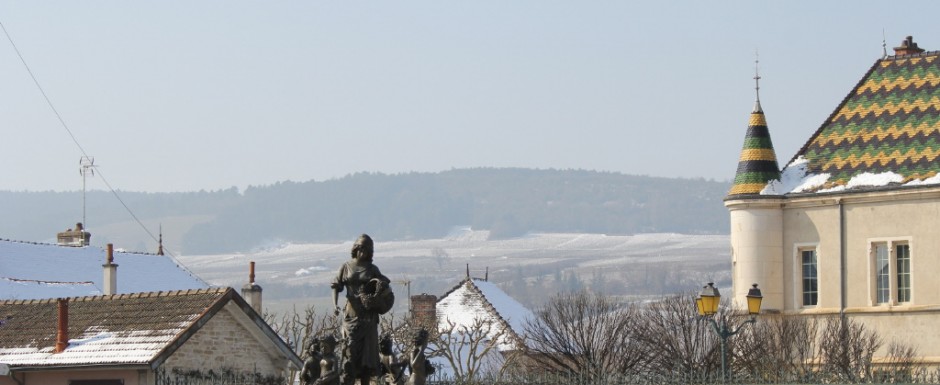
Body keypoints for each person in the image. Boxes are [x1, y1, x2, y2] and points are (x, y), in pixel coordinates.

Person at [332, 234, 392, 385]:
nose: (364, 253)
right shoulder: (346, 267)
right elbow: (336, 286)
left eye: (368, 250)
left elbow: (385, 285)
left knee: (367, 357)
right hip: (351, 313)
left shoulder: (372, 269)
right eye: (362, 249)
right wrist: (335, 305)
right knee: (350, 353)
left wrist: (378, 292)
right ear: (356, 249)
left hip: (368, 316)